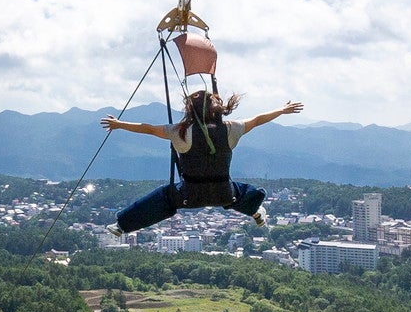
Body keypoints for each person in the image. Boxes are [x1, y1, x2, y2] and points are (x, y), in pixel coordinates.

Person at [102, 90, 303, 235]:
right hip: (224, 194)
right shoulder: (232, 129)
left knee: (163, 196)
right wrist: (281, 110)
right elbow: (258, 119)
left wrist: (119, 125)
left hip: (189, 195)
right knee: (240, 191)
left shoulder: (179, 131)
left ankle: (122, 225)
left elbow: (148, 128)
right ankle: (256, 212)